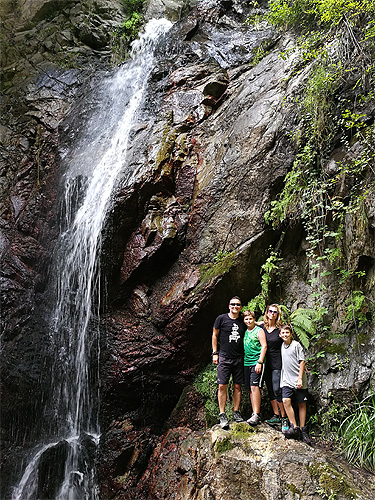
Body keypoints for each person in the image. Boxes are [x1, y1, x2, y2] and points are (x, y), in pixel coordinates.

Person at [212, 296, 246, 429]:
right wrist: (215, 353)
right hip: (224, 357)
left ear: (241, 307)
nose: (235, 306)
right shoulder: (221, 319)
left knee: (237, 386)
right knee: (222, 386)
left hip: (239, 358)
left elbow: (254, 323)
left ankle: (236, 412)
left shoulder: (243, 320)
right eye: (233, 304)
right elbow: (214, 335)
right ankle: (222, 414)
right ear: (229, 306)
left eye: (238, 304)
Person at [259, 304, 289, 433]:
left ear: (278, 314)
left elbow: (289, 341)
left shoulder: (280, 329)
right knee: (270, 389)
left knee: (277, 389)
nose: (272, 313)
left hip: (277, 363)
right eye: (270, 311)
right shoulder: (261, 328)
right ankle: (276, 415)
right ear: (266, 313)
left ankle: (284, 417)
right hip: (265, 363)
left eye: (275, 312)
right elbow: (249, 322)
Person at [279, 324, 311, 444]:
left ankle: (303, 430)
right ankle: (294, 427)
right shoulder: (281, 345)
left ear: (291, 334)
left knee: (301, 404)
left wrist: (300, 379)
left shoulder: (296, 345)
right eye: (283, 333)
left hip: (299, 379)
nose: (285, 335)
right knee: (286, 401)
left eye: (287, 332)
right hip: (286, 380)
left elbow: (302, 362)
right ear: (280, 335)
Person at [243, 310, 267, 425]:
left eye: (250, 319)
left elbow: (264, 346)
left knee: (255, 386)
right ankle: (254, 413)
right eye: (246, 319)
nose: (248, 321)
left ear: (254, 319)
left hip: (256, 362)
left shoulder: (259, 330)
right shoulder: (245, 331)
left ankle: (257, 414)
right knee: (251, 389)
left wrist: (260, 361)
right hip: (246, 362)